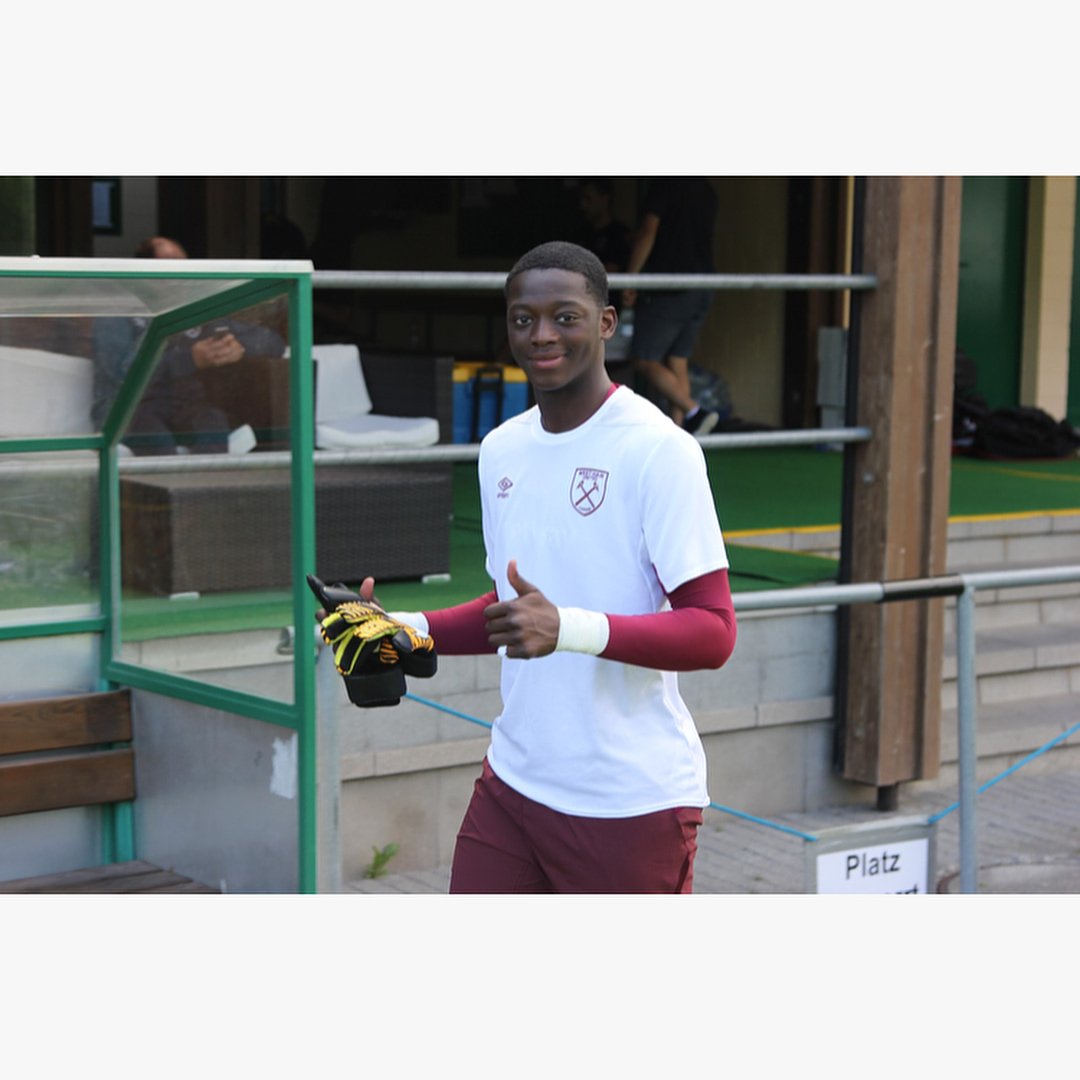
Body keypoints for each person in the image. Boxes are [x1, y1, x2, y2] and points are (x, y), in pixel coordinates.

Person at [335, 241, 737, 893]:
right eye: (523, 319)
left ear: (606, 323)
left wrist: (568, 628)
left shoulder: (661, 450)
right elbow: (512, 613)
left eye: (565, 317)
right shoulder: (502, 449)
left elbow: (714, 632)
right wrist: (406, 628)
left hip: (627, 803)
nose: (542, 334)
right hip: (513, 784)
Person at [92, 236, 286, 454]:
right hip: (130, 410)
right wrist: (189, 359)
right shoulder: (118, 315)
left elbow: (274, 343)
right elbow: (122, 374)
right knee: (154, 437)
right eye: (172, 263)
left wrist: (239, 347)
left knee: (213, 421)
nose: (183, 272)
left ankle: (211, 478)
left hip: (185, 406)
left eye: (185, 263)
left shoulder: (194, 311)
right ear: (145, 272)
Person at [622, 178, 719, 432]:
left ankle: (694, 411)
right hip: (704, 285)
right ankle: (680, 434)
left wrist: (630, 278)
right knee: (677, 360)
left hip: (670, 286)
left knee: (643, 358)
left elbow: (648, 233)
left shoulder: (665, 184)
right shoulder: (706, 189)